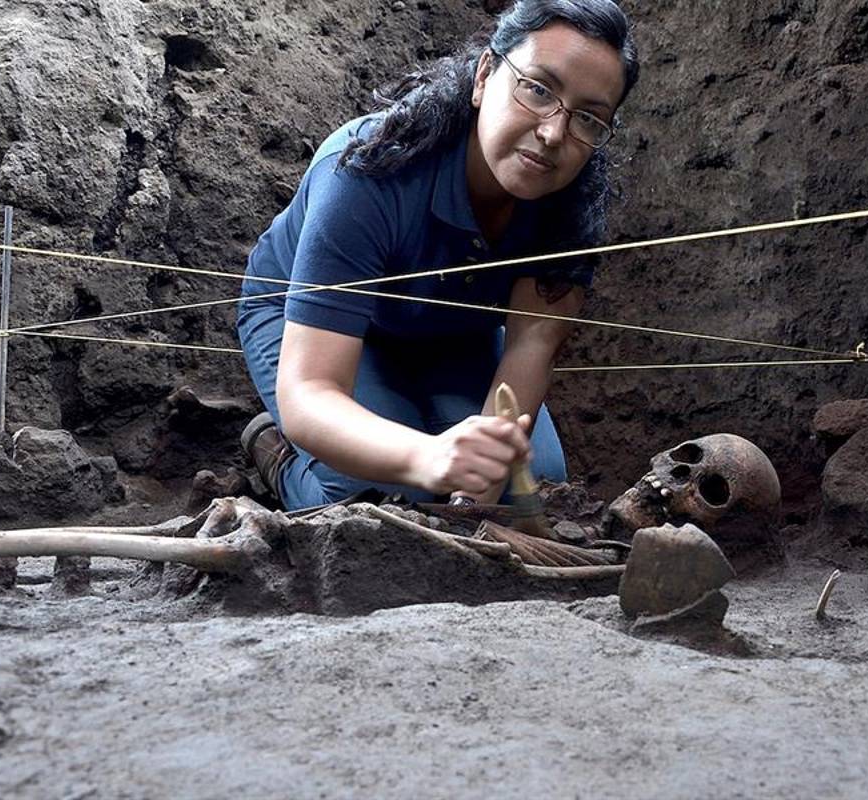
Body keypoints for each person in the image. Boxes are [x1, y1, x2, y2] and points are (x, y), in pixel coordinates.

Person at [237, 0, 640, 511]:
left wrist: (480, 490)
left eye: (587, 118)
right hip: (312, 331)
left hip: (452, 338)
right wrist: (430, 459)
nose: (553, 133)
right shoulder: (367, 168)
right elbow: (312, 391)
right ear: (484, 75)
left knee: (528, 484)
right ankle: (278, 458)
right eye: (537, 89)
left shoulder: (571, 209)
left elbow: (528, 351)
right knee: (388, 493)